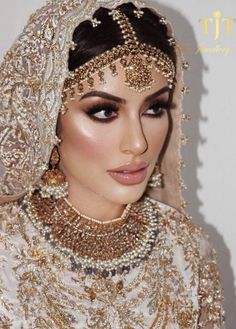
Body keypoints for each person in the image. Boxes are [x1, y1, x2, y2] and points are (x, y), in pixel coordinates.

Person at [0, 0, 225, 328]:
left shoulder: (185, 248)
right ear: (45, 119)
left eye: (154, 109)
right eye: (104, 111)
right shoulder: (7, 251)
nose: (138, 143)